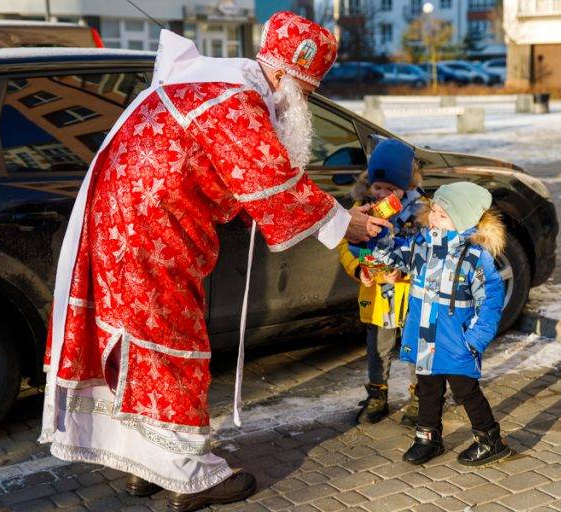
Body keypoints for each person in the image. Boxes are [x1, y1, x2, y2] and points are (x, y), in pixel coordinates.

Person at [39, 11, 390, 512]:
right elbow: (269, 178)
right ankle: (189, 476)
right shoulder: (234, 99)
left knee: (138, 344)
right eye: (307, 95)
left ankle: (145, 465)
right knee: (173, 347)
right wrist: (344, 222)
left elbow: (230, 176)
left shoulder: (207, 83)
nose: (303, 107)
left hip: (122, 227)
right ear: (286, 78)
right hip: (153, 235)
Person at [372, 182, 512, 466]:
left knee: (465, 391)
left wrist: (475, 339)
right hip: (425, 335)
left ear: (463, 220)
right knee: (427, 388)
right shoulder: (423, 244)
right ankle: (428, 438)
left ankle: (490, 440)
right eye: (434, 210)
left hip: (456, 339)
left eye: (443, 214)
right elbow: (392, 258)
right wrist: (383, 235)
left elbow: (491, 302)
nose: (434, 217)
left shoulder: (476, 256)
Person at [337, 139, 425, 425]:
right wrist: (358, 267)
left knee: (415, 346)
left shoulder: (420, 212)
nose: (384, 194)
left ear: (406, 186)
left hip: (413, 295)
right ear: (369, 184)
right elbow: (346, 245)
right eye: (379, 188)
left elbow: (429, 251)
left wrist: (404, 273)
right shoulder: (362, 210)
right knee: (378, 348)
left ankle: (420, 397)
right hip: (379, 295)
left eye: (392, 189)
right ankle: (377, 395)